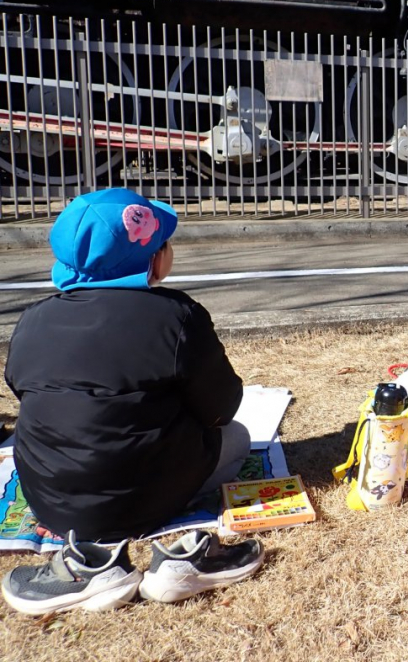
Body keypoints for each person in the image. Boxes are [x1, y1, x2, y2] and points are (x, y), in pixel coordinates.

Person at [5, 188, 249, 542]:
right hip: (139, 501)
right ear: (154, 259)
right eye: (164, 243)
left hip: (50, 501)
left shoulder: (33, 318)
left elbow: (21, 387)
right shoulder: (177, 317)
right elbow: (222, 408)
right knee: (237, 437)